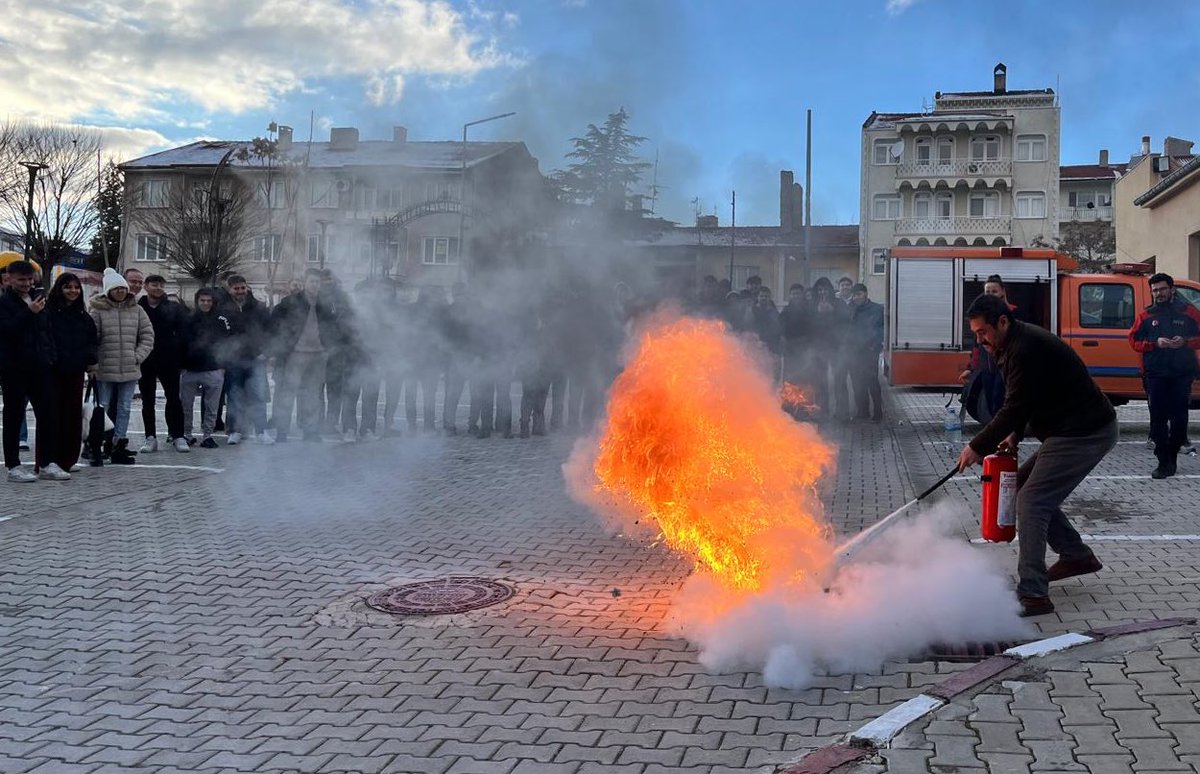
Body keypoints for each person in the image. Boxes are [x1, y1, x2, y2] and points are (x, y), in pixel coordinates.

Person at [957, 294, 1116, 617]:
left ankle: (1033, 594)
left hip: (1085, 431)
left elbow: (1013, 406)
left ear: (1002, 322)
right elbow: (1029, 398)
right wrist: (1014, 433)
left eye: (983, 332)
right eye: (975, 334)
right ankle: (1075, 554)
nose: (980, 339)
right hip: (1065, 427)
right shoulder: (1009, 344)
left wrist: (977, 446)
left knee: (1031, 501)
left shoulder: (1025, 348)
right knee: (1020, 487)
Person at [1128, 272, 1200, 478]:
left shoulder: (1188, 312)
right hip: (1155, 374)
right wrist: (1154, 344)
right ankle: (1163, 461)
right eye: (1155, 290)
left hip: (1181, 373)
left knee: (1179, 419)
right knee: (1158, 419)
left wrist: (1185, 342)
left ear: (1171, 290)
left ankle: (1173, 456)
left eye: (1162, 289)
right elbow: (1133, 341)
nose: (1158, 293)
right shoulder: (1145, 315)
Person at [0, 260, 63, 481]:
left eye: (29, 279)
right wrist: (29, 312)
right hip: (14, 368)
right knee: (13, 416)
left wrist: (51, 357)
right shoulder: (4, 303)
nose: (27, 283)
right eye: (21, 279)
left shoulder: (39, 299)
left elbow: (46, 330)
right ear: (9, 279)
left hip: (41, 365)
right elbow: (6, 331)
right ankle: (13, 466)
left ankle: (47, 463)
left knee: (48, 414)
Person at [90, 268, 154, 465]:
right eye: (116, 288)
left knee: (125, 408)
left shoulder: (137, 310)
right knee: (102, 408)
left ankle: (119, 444)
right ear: (108, 290)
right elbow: (91, 338)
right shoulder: (98, 310)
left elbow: (147, 336)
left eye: (123, 288)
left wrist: (137, 357)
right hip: (105, 369)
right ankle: (97, 446)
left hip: (130, 368)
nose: (120, 292)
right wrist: (95, 361)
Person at [270, 269, 335, 442]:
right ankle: (282, 432)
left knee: (313, 395)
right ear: (305, 282)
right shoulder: (290, 302)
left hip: (319, 355)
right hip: (295, 355)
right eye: (312, 281)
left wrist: (329, 347)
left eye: (318, 282)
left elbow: (333, 327)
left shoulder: (325, 304)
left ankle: (310, 431)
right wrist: (280, 348)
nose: (315, 285)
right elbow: (273, 324)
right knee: (288, 393)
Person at [42, 272, 98, 473]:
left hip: (75, 373)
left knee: (72, 416)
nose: (72, 291)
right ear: (59, 288)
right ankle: (49, 461)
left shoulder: (83, 316)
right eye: (68, 287)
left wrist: (92, 363)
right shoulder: (48, 313)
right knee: (51, 417)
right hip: (52, 372)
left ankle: (67, 459)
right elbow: (44, 340)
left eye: (76, 287)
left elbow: (92, 341)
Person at [137, 274, 188, 453]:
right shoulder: (138, 308)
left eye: (161, 285)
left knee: (173, 398)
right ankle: (150, 437)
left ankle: (178, 435)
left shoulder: (174, 308)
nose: (158, 288)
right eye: (154, 284)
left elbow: (183, 335)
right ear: (146, 286)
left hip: (169, 360)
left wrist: (181, 359)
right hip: (144, 360)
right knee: (147, 401)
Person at [959, 275, 1018, 424]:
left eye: (994, 291)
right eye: (987, 292)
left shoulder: (1012, 314)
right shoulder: (981, 316)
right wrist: (971, 369)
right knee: (992, 407)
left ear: (1002, 292)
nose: (991, 295)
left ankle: (1005, 438)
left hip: (1005, 370)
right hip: (987, 370)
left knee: (1002, 406)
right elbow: (977, 347)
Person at [221, 275, 272, 445]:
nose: (240, 291)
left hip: (256, 359)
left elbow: (269, 332)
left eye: (243, 287)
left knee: (258, 396)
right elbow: (219, 336)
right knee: (235, 396)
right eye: (236, 288)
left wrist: (266, 352)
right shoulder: (223, 309)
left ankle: (261, 431)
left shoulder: (259, 307)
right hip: (233, 360)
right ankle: (236, 431)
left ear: (247, 287)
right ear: (230, 289)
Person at [180, 288, 232, 449]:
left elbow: (227, 344)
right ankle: (186, 435)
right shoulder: (188, 319)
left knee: (212, 407)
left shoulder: (221, 319)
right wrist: (181, 366)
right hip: (190, 370)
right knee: (186, 406)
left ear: (213, 301)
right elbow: (181, 343)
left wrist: (223, 367)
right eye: (203, 300)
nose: (206, 303)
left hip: (214, 369)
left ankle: (208, 436)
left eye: (209, 300)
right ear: (197, 301)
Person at [847, 283, 884, 421]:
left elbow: (882, 329)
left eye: (859, 294)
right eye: (854, 295)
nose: (856, 297)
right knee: (857, 382)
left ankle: (878, 412)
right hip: (854, 351)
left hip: (870, 351)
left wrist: (875, 346)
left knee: (872, 381)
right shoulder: (851, 309)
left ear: (865, 294)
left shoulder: (877, 309)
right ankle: (862, 411)